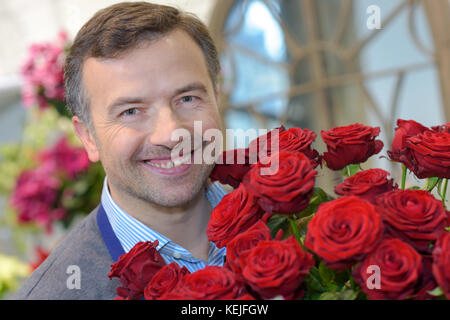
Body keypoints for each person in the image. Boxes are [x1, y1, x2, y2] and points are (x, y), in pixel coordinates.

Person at [13, 1, 229, 300]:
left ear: (217, 98)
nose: (169, 134)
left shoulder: (299, 226)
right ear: (88, 137)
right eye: (131, 111)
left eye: (187, 98)